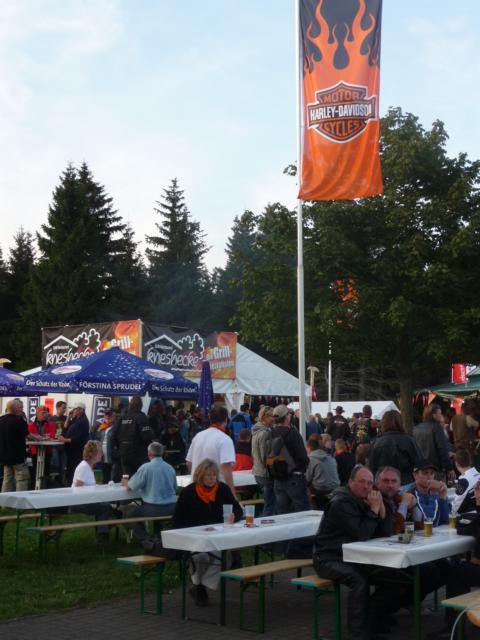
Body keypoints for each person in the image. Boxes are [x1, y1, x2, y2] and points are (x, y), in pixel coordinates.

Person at [313, 465, 399, 639]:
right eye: (362, 482)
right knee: (358, 580)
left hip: (354, 556)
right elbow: (362, 534)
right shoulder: (341, 502)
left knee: (395, 575)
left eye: (369, 483)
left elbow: (385, 534)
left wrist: (382, 510)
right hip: (328, 558)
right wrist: (373, 510)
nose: (366, 487)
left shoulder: (364, 500)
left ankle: (374, 621)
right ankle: (358, 634)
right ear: (350, 482)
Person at [172, 459, 243, 606]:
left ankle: (201, 586)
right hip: (195, 537)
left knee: (225, 556)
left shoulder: (222, 489)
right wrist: (189, 533)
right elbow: (178, 519)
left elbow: (237, 508)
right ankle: (199, 586)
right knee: (200, 557)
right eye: (208, 475)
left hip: (218, 535)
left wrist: (234, 516)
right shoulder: (189, 492)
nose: (212, 478)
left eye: (214, 475)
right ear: (200, 476)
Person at [122, 441, 177, 543]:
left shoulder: (146, 467)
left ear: (149, 454)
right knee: (157, 516)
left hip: (153, 508)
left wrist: (125, 482)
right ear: (162, 453)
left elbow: (131, 486)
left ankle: (146, 539)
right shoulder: (170, 468)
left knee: (130, 517)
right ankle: (157, 537)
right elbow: (174, 488)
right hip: (172, 507)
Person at [70, 440, 116, 544]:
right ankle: (103, 536)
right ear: (91, 454)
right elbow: (77, 487)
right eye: (99, 452)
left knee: (105, 506)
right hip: (78, 502)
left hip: (84, 500)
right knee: (105, 507)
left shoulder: (88, 466)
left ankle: (103, 531)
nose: (101, 454)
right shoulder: (84, 467)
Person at [186, 405, 236, 497]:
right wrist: (232, 493)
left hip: (196, 487)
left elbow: (189, 462)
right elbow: (226, 467)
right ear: (226, 420)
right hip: (216, 491)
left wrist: (197, 477)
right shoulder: (225, 439)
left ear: (210, 419)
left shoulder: (198, 436)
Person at [268, 404, 310, 514]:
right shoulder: (293, 433)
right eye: (289, 414)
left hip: (278, 477)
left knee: (282, 514)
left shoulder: (271, 433)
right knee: (302, 512)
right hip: (294, 477)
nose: (290, 415)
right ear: (286, 416)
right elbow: (303, 456)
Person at [369, 410, 423, 485]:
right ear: (400, 422)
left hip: (383, 483)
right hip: (405, 483)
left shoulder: (376, 442)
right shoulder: (409, 441)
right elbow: (420, 463)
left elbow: (372, 467)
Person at [111, 395, 154, 477]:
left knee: (126, 477)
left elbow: (113, 435)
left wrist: (119, 448)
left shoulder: (122, 417)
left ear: (130, 404)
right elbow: (146, 436)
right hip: (138, 453)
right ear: (140, 406)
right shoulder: (141, 417)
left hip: (124, 453)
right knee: (140, 478)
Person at [0, 399, 37, 492]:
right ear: (14, 408)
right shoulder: (19, 421)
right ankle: (20, 499)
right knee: (21, 479)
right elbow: (28, 435)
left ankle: (4, 499)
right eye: (20, 407)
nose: (22, 409)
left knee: (7, 479)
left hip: (4, 456)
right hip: (18, 456)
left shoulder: (1, 420)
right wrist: (40, 438)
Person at [413, 403, 453, 481]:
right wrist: (449, 468)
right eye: (439, 413)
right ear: (433, 415)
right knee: (438, 488)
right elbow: (443, 449)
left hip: (421, 469)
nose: (441, 415)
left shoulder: (416, 428)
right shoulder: (437, 428)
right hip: (435, 469)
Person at [405, 461, 450, 527]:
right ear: (415, 475)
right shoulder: (410, 494)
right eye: (425, 473)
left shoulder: (437, 492)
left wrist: (443, 497)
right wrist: (433, 495)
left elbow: (445, 522)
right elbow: (429, 520)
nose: (429, 477)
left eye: (432, 473)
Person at [251, 406, 276, 516]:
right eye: (272, 416)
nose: (274, 419)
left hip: (258, 472)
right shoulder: (265, 433)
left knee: (268, 503)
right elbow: (265, 456)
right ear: (265, 417)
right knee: (270, 505)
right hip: (265, 473)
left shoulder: (256, 431)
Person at [58, 402, 90, 486]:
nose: (73, 411)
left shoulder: (83, 421)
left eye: (75, 409)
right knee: (69, 469)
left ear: (81, 410)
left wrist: (64, 440)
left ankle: (73, 486)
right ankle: (69, 485)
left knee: (74, 470)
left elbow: (78, 439)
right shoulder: (75, 420)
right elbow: (65, 427)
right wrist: (68, 417)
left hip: (77, 450)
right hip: (71, 449)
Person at [305, 435, 340, 507]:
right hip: (335, 488)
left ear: (309, 448)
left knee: (302, 486)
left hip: (321, 490)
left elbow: (307, 479)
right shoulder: (330, 457)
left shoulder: (310, 459)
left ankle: (308, 509)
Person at [27, 405, 56, 486]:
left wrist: (39, 437)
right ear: (37, 414)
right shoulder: (31, 425)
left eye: (46, 413)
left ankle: (44, 487)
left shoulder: (51, 424)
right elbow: (30, 436)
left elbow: (52, 435)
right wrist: (42, 437)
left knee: (46, 471)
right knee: (35, 471)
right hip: (35, 451)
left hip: (47, 451)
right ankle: (34, 487)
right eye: (43, 413)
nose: (45, 415)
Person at [451, 448, 480, 516]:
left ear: (456, 464)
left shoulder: (463, 481)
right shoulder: (478, 475)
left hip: (471, 517)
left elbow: (455, 508)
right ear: (470, 461)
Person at [97, 409, 116, 483]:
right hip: (103, 458)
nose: (108, 417)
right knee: (105, 478)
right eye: (106, 415)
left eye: (110, 415)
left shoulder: (117, 427)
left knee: (113, 479)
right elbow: (98, 440)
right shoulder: (101, 427)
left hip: (113, 457)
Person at [51, 400, 67, 482]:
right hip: (55, 445)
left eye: (65, 408)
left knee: (62, 466)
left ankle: (61, 482)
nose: (64, 410)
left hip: (64, 445)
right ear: (57, 408)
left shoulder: (66, 418)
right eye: (63, 408)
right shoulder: (52, 419)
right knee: (56, 464)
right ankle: (54, 481)